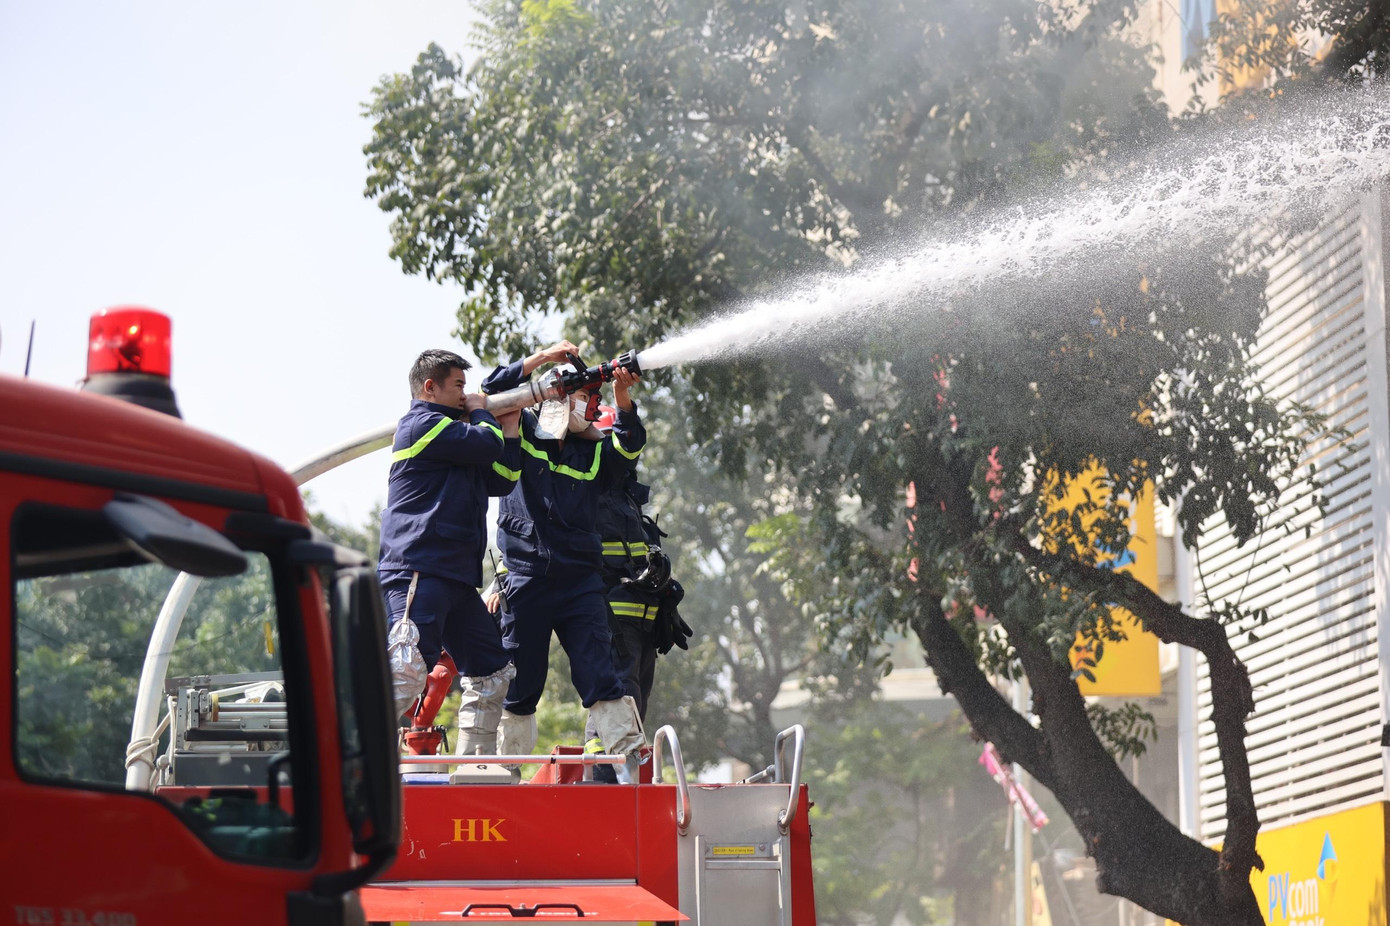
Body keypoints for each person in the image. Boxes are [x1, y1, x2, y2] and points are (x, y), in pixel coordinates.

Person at [480, 341, 647, 781]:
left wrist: (622, 397)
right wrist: (540, 361)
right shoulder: (524, 435)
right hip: (526, 581)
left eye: (583, 397)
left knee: (602, 675)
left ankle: (630, 767)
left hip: (579, 586)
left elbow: (630, 447)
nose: (576, 403)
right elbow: (491, 391)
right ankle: (505, 775)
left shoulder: (596, 452)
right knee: (520, 686)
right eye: (569, 393)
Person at [377, 348, 522, 758]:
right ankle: (350, 765)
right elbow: (484, 443)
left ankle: (476, 770)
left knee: (492, 672)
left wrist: (508, 430)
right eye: (458, 386)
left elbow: (503, 479)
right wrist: (482, 412)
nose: (464, 394)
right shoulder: (420, 425)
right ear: (429, 387)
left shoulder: (455, 441)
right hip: (418, 568)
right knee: (405, 674)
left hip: (456, 576)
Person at [581, 407, 691, 781]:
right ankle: (605, 782)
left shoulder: (625, 498)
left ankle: (617, 778)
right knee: (617, 701)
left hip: (643, 622)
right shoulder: (586, 490)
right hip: (612, 621)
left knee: (636, 703)